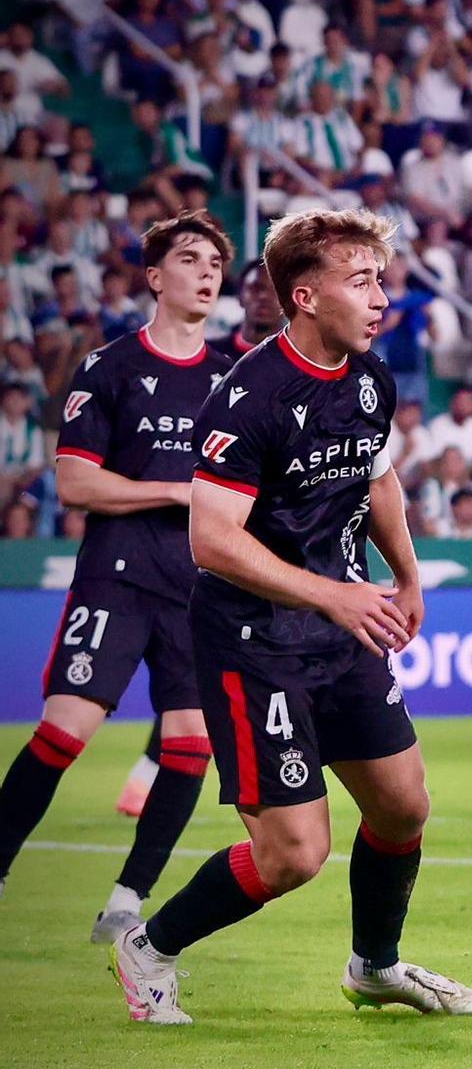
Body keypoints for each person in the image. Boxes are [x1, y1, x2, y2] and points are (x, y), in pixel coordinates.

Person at [110, 208, 472, 1024]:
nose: (381, 297)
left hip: (341, 628)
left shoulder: (371, 378)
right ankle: (150, 946)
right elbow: (211, 543)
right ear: (304, 297)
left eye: (381, 279)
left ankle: (374, 967)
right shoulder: (249, 399)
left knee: (403, 805)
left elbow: (375, 478)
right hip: (254, 642)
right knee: (292, 856)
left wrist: (404, 576)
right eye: (362, 281)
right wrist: (335, 594)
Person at [0, 211, 234, 944]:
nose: (205, 273)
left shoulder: (231, 383)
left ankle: (129, 901)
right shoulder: (110, 368)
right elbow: (75, 484)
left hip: (196, 589)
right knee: (66, 731)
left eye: (215, 265)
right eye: (189, 259)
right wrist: (170, 491)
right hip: (117, 577)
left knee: (191, 742)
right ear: (155, 277)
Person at [120, 255, 284, 819]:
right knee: (193, 665)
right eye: (253, 289)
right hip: (207, 534)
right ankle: (157, 764)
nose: (263, 297)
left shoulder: (298, 367)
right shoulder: (213, 366)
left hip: (273, 538)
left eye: (271, 289)